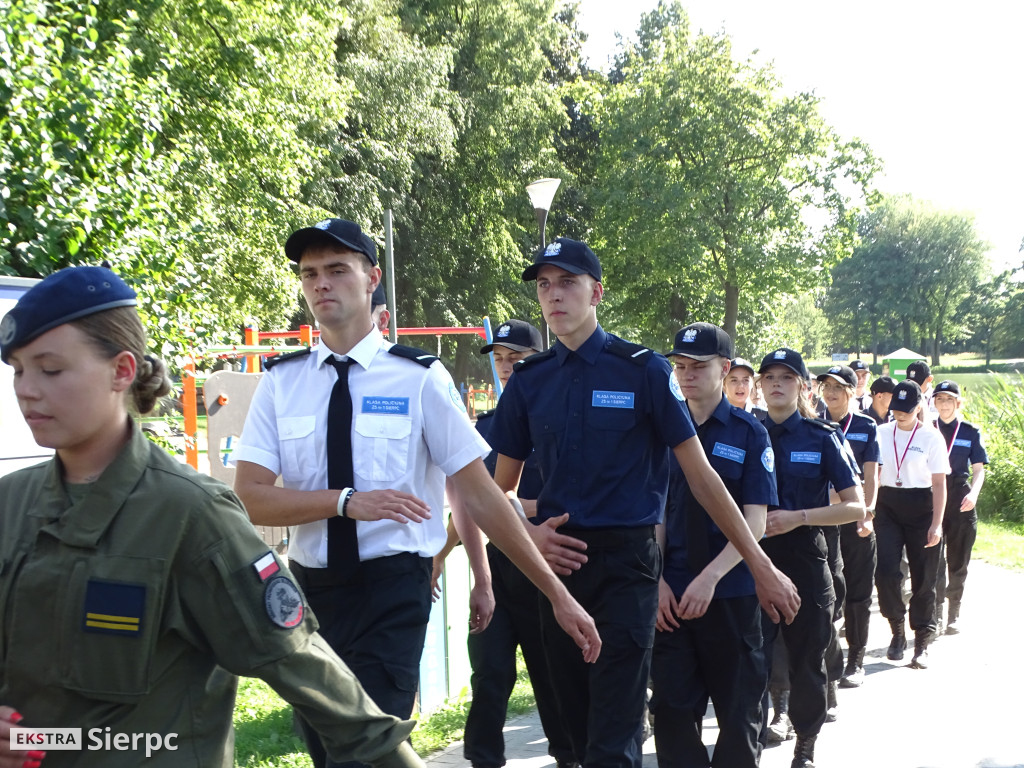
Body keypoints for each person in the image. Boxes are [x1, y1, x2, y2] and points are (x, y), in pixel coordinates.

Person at [0, 266, 425, 768]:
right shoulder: (11, 505)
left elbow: (315, 679)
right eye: (18, 370)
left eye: (50, 370)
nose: (27, 390)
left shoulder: (189, 514)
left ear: (121, 370)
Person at [232, 219, 600, 768]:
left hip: (392, 588)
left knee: (366, 747)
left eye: (337, 270)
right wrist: (344, 501)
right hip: (312, 595)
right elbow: (251, 497)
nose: (321, 284)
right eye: (310, 273)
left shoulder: (418, 379)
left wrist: (554, 593)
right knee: (325, 748)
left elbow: (479, 494)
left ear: (372, 278)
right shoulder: (282, 382)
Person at [487, 238, 800, 768]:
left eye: (567, 283)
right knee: (570, 735)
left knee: (615, 736)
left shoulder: (644, 371)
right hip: (556, 565)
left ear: (596, 293)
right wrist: (530, 534)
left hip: (628, 567)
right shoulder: (531, 381)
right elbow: (499, 492)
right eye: (544, 285)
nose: (553, 296)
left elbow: (701, 477)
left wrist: (760, 564)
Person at [449, 319, 575, 768]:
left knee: (552, 676)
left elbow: (568, 500)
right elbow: (471, 499)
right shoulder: (482, 426)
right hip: (498, 569)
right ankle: (483, 760)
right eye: (499, 359)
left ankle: (568, 756)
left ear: (536, 360)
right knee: (490, 673)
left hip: (549, 568)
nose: (505, 367)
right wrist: (443, 551)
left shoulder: (557, 418)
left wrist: (511, 506)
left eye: (514, 358)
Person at [652, 323, 776, 768]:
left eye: (698, 366)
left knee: (740, 716)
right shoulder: (659, 431)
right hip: (672, 598)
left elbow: (755, 521)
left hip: (730, 594)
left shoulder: (749, 433)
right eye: (680, 366)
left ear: (724, 369)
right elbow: (656, 512)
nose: (686, 374)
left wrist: (710, 578)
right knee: (669, 714)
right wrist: (659, 579)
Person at [758, 349, 864, 768]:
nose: (777, 384)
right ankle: (749, 740)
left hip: (804, 558)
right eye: (769, 377)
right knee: (750, 658)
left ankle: (805, 745)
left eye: (787, 377)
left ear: (803, 386)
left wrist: (798, 517)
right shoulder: (746, 432)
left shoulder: (822, 437)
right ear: (762, 385)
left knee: (807, 660)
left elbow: (855, 507)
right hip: (751, 558)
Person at [874, 380, 950, 670]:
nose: (900, 414)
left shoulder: (932, 438)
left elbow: (939, 484)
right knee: (885, 572)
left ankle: (922, 640)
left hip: (921, 507)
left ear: (919, 407)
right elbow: (872, 473)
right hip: (887, 506)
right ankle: (896, 629)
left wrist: (937, 523)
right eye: (895, 409)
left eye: (906, 410)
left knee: (924, 577)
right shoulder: (880, 433)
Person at [816, 366, 880, 689]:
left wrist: (866, 514)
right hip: (824, 520)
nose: (830, 393)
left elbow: (871, 475)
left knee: (858, 592)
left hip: (855, 519)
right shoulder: (813, 422)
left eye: (838, 388)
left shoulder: (866, 427)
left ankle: (856, 657)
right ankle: (828, 661)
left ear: (852, 392)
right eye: (826, 386)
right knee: (829, 593)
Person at [931, 380, 988, 635]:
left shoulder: (969, 431)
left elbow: (978, 470)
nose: (944, 404)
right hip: (932, 497)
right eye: (939, 399)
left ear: (958, 403)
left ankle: (954, 611)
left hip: (960, 498)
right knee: (934, 559)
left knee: (958, 560)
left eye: (949, 400)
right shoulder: (927, 429)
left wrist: (974, 495)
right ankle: (936, 612)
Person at [724, 357, 767, 421]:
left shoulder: (764, 416)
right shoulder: (713, 416)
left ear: (752, 383)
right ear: (724, 384)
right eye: (734, 380)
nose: (740, 385)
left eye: (745, 380)